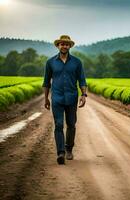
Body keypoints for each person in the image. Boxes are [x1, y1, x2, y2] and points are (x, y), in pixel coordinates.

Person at [42, 35, 87, 165]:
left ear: (70, 46)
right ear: (58, 45)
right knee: (59, 124)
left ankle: (69, 149)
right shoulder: (50, 62)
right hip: (57, 98)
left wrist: (83, 95)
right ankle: (60, 153)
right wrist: (46, 99)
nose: (64, 46)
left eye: (66, 44)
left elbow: (82, 80)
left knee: (71, 124)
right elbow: (46, 82)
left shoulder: (77, 62)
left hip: (72, 97)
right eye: (62, 44)